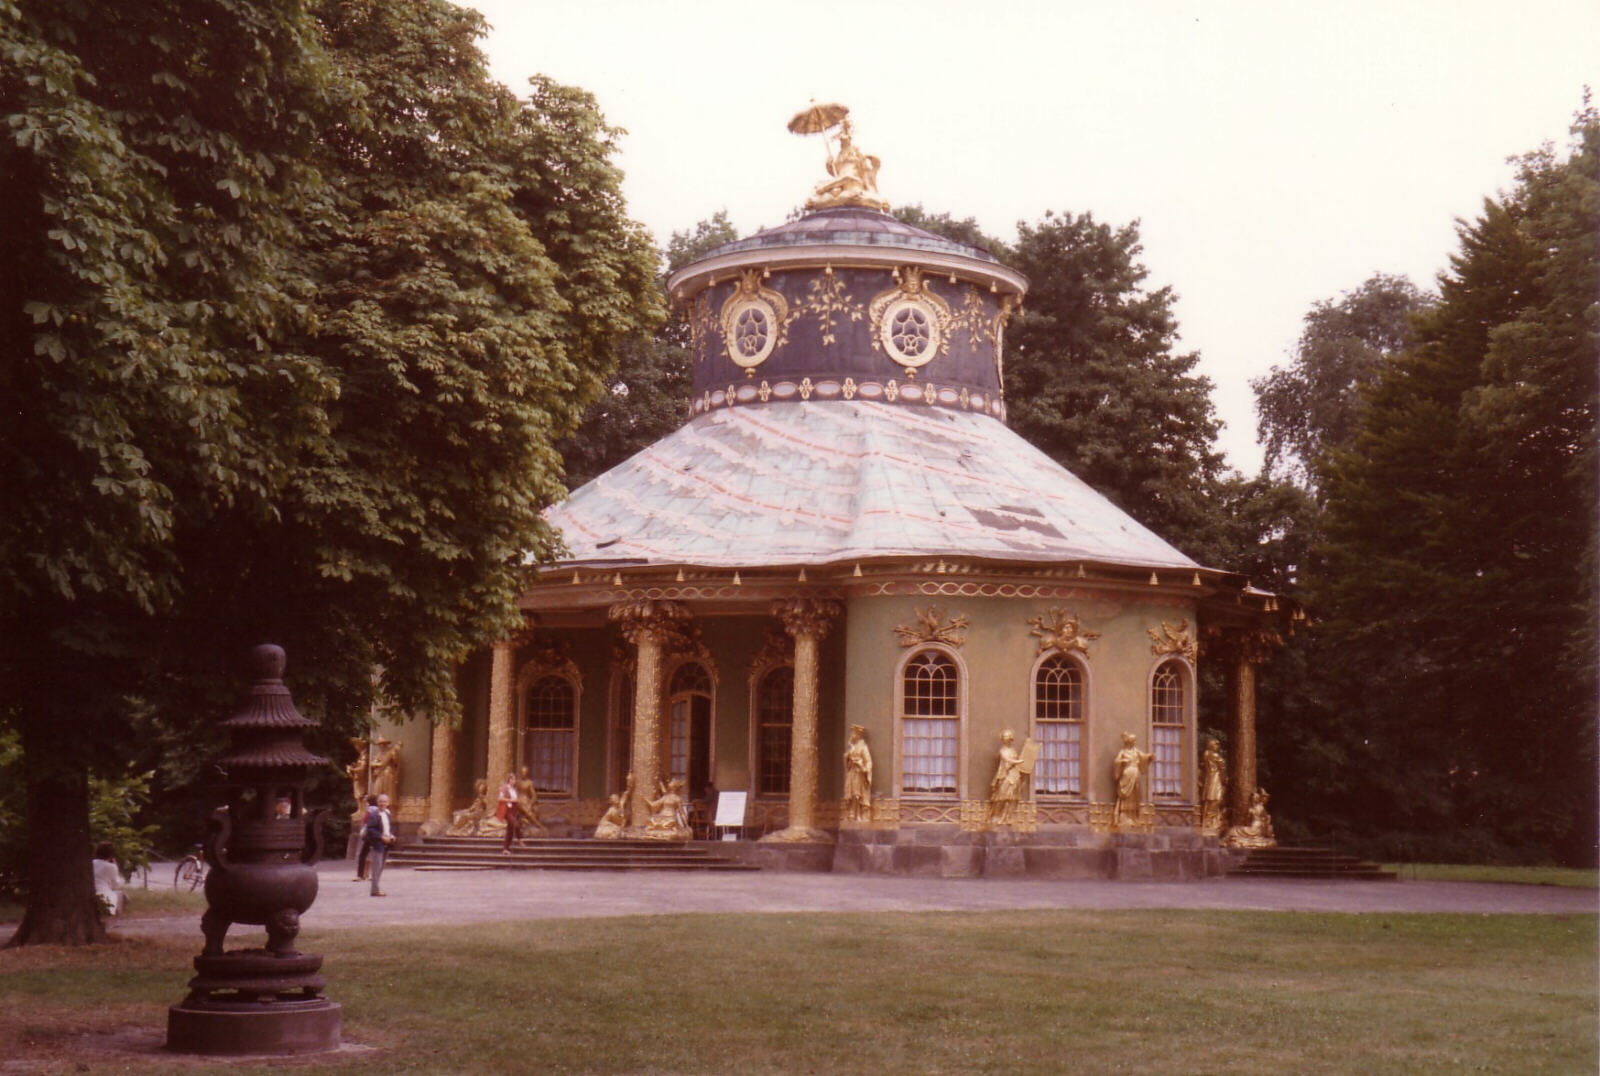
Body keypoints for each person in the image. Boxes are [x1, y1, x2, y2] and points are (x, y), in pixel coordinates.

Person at [1112, 731, 1154, 827]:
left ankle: (1134, 817)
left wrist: (1149, 757)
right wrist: (1122, 761)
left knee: (1135, 795)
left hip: (1135, 774)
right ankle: (1123, 817)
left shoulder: (1136, 751)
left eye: (1134, 741)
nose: (1134, 743)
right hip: (1126, 774)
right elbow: (1116, 761)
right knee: (1125, 796)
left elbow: (1143, 757)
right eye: (1133, 741)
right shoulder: (1123, 752)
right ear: (1129, 742)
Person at [987, 729, 1025, 826]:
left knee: (1012, 798)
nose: (1006, 738)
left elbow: (1013, 762)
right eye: (1004, 736)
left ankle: (1008, 817)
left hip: (1014, 774)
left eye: (1007, 736)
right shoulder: (1002, 751)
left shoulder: (1013, 750)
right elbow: (1008, 760)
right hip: (1004, 775)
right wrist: (1021, 761)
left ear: (1011, 738)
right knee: (1001, 796)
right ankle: (996, 816)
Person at [365, 793, 395, 897]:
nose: (382, 803)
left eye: (384, 802)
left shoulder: (387, 814)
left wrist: (391, 835)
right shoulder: (374, 815)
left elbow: (387, 828)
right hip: (377, 843)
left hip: (386, 843)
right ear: (377, 803)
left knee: (381, 867)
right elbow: (371, 829)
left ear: (388, 803)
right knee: (376, 867)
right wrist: (381, 837)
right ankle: (375, 890)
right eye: (380, 801)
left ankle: (376, 888)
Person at [843, 725, 873, 822]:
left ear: (858, 734)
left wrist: (864, 767)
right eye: (852, 733)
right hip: (851, 772)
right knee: (850, 793)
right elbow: (846, 760)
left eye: (854, 733)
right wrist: (847, 756)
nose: (852, 735)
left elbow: (869, 761)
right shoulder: (852, 746)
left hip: (858, 773)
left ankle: (858, 814)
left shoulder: (863, 747)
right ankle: (851, 813)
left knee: (857, 794)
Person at [1198, 738, 1226, 833]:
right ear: (1211, 745)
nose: (1217, 746)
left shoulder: (1205, 754)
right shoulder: (1214, 755)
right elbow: (1222, 767)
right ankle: (1210, 821)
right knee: (1216, 798)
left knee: (1208, 799)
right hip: (1215, 779)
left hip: (1209, 778)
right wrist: (1224, 780)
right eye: (1215, 744)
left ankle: (1208, 821)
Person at [93, 841, 125, 917]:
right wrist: (116, 866)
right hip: (104, 895)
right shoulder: (111, 867)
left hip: (92, 892)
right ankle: (117, 913)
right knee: (120, 894)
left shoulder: (91, 863)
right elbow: (116, 885)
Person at [353, 793, 378, 880]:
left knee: (363, 855)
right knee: (372, 855)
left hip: (369, 835)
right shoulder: (379, 810)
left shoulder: (369, 810)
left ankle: (360, 874)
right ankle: (369, 874)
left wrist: (362, 831)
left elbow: (365, 822)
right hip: (376, 835)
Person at [515, 766, 546, 837]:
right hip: (518, 800)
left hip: (526, 800)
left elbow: (534, 795)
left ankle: (534, 825)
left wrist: (531, 803)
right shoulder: (518, 782)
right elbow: (514, 791)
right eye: (522, 772)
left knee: (529, 811)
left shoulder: (529, 783)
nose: (523, 774)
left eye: (525, 772)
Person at [496, 772, 519, 854]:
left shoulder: (514, 790)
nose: (514, 781)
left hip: (513, 810)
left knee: (510, 830)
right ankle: (520, 839)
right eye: (512, 779)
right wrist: (510, 800)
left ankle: (506, 848)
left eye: (514, 779)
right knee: (515, 824)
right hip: (507, 810)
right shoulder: (505, 788)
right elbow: (500, 798)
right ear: (509, 780)